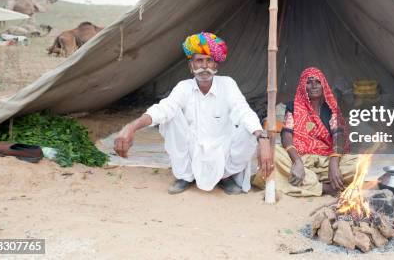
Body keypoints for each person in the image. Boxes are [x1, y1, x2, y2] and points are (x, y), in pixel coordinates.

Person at [114, 32, 272, 195]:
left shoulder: (228, 84)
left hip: (223, 150)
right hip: (193, 149)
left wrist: (263, 137)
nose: (204, 66)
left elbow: (244, 111)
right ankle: (185, 176)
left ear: (215, 66)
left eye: (209, 60)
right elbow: (163, 109)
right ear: (191, 67)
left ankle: (225, 177)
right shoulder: (183, 87)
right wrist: (131, 127)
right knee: (170, 115)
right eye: (199, 61)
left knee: (249, 129)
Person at [255, 67, 358, 197]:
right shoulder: (294, 107)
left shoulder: (331, 109)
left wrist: (334, 162)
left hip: (325, 160)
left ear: (324, 85)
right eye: (309, 82)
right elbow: (287, 134)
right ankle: (324, 187)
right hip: (300, 158)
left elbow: (338, 135)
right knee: (272, 154)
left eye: (318, 82)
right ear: (303, 86)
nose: (314, 86)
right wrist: (297, 162)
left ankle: (309, 181)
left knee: (358, 165)